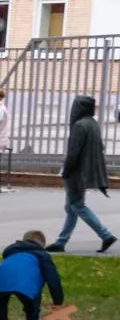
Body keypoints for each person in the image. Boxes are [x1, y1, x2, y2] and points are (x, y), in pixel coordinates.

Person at [51, 95, 115, 253]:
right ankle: (61, 242)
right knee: (71, 207)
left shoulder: (79, 125)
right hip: (84, 172)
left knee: (77, 205)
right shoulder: (92, 123)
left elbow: (73, 153)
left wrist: (66, 171)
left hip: (76, 173)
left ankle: (105, 235)